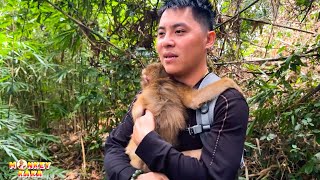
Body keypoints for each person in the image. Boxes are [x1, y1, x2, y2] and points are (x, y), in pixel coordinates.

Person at [104, 0, 249, 179]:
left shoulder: (227, 102)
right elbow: (113, 147)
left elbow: (216, 174)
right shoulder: (149, 95)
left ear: (208, 39)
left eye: (179, 31)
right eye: (161, 33)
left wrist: (148, 142)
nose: (166, 42)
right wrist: (135, 177)